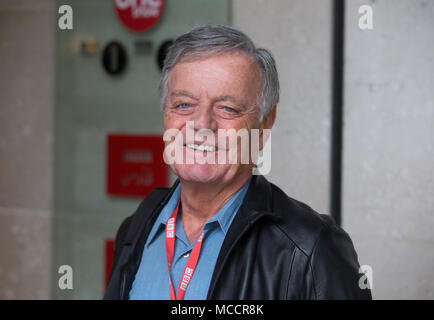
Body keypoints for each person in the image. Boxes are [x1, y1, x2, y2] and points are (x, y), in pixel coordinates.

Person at [104, 24, 372, 300]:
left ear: (264, 125)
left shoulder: (311, 250)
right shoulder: (137, 227)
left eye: (227, 108)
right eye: (184, 104)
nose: (202, 124)